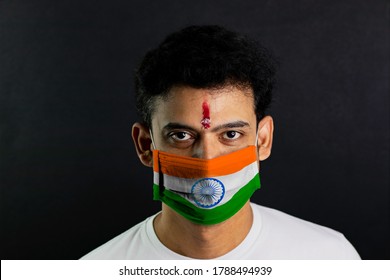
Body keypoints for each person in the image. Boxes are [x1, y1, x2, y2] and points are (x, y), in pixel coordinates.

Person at [81, 25, 360, 259]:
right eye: (182, 136)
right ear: (145, 144)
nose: (208, 160)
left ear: (263, 140)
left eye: (230, 135)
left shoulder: (330, 258)